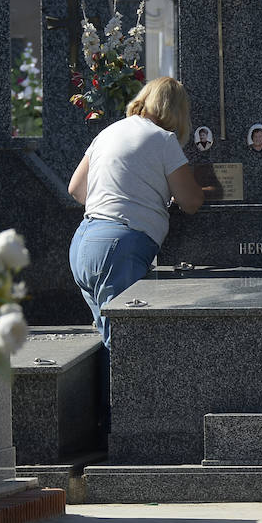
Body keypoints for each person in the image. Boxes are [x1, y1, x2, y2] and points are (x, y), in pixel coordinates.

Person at [67, 76, 206, 344]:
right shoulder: (164, 140)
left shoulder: (108, 132)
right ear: (177, 111)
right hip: (118, 247)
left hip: (83, 243)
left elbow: (76, 189)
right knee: (126, 346)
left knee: (109, 341)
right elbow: (190, 201)